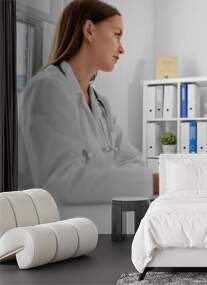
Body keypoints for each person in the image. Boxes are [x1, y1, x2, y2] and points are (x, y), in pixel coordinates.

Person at [18, 0, 151, 204]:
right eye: (116, 34)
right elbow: (62, 183)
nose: (122, 48)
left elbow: (133, 160)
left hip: (96, 220)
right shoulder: (47, 89)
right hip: (57, 227)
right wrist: (152, 183)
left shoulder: (101, 104)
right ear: (89, 30)